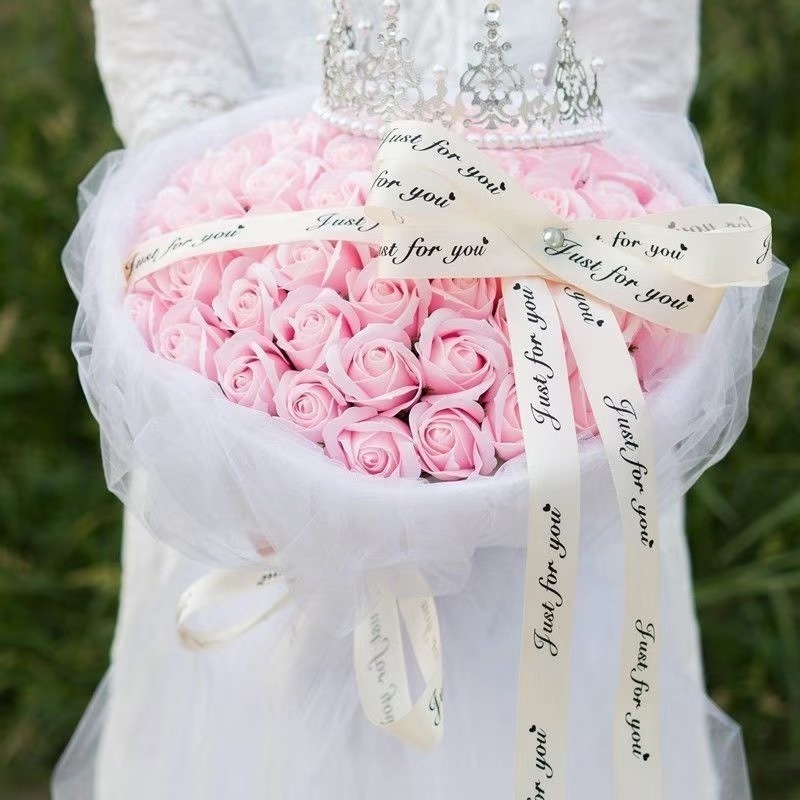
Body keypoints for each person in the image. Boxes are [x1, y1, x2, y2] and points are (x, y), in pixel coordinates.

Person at [53, 1, 752, 798]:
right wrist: (266, 452)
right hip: (243, 444)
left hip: (562, 467)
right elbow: (176, 117)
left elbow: (634, 115)